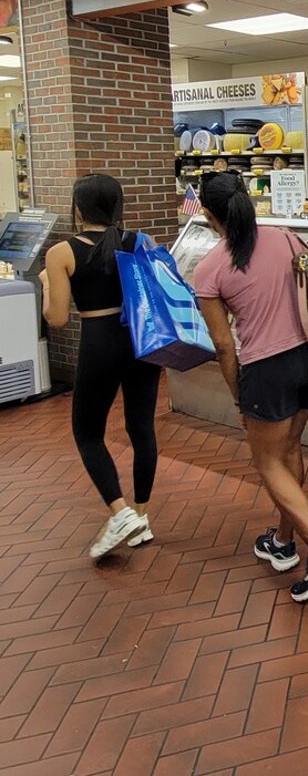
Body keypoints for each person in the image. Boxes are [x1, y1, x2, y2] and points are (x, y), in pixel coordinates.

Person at [193, 172, 308, 602]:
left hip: (266, 371)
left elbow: (224, 345)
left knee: (267, 462)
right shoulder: (284, 238)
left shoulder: (209, 269)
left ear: (209, 216)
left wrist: (237, 394)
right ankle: (284, 542)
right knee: (290, 451)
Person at [39, 175, 161, 559]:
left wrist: (47, 283)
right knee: (141, 428)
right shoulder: (140, 240)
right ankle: (141, 516)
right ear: (117, 206)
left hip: (99, 339)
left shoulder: (62, 252)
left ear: (78, 208)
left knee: (88, 432)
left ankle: (119, 511)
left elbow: (56, 318)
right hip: (142, 340)